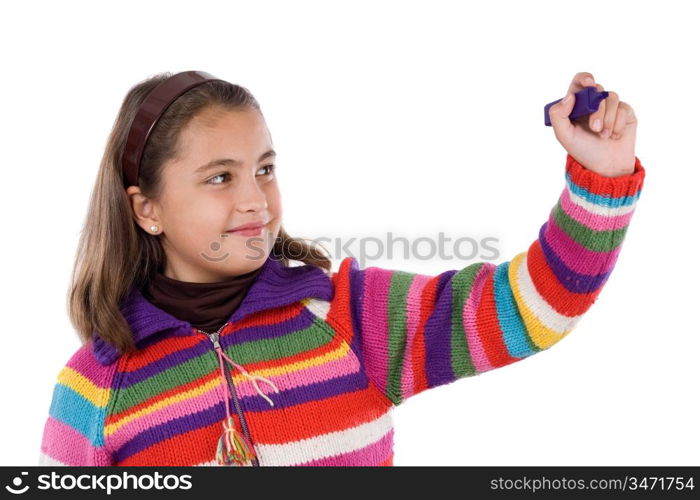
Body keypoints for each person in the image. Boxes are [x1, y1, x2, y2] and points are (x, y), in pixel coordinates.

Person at [38, 70, 646, 466]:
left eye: (265, 169)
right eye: (220, 177)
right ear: (147, 209)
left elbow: (531, 307)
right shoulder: (94, 390)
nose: (254, 199)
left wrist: (604, 180)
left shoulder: (347, 315)